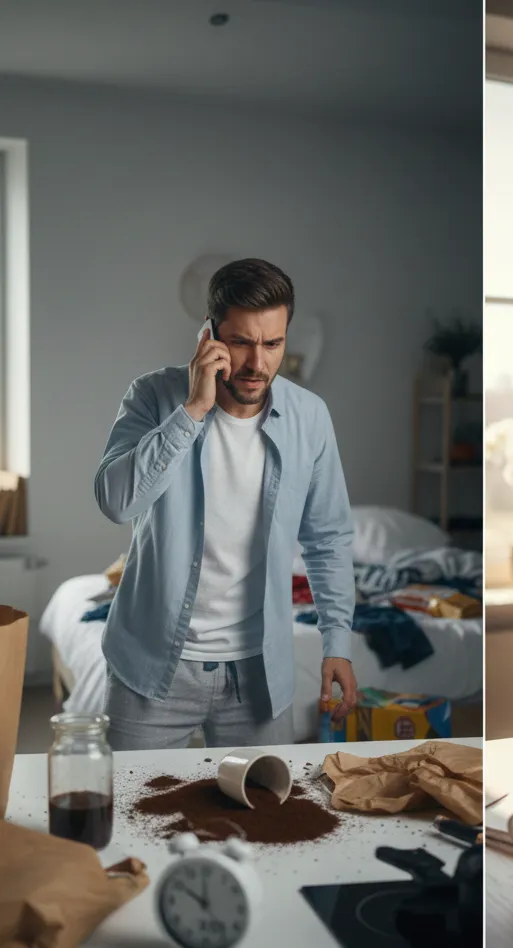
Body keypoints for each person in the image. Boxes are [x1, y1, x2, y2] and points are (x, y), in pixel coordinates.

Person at [95, 258, 357, 749]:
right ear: (209, 336)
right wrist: (192, 409)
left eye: (273, 343)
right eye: (241, 342)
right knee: (125, 818)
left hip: (258, 676)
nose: (258, 363)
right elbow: (116, 501)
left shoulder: (311, 417)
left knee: (261, 823)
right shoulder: (152, 396)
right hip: (152, 668)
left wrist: (336, 641)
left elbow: (328, 538)